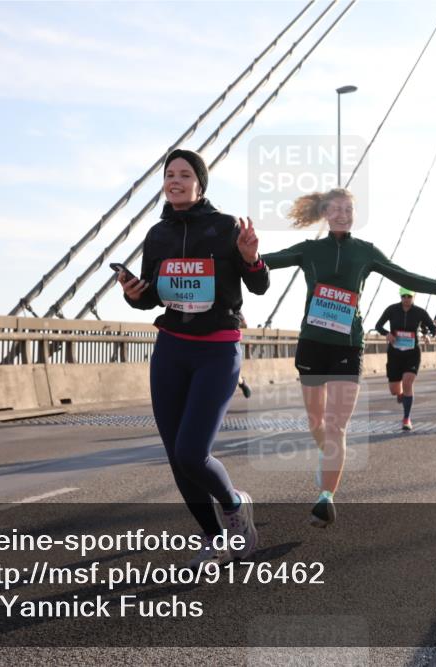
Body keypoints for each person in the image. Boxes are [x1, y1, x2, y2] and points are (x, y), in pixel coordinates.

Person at [263, 188, 436, 526]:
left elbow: (406, 277)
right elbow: (263, 263)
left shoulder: (365, 252)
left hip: (348, 346)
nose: (344, 214)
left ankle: (326, 498)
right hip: (313, 344)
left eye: (350, 209)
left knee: (336, 425)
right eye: (337, 208)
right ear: (325, 212)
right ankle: (324, 456)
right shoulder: (309, 250)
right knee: (316, 422)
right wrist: (235, 254)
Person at [119, 148, 268, 565]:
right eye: (170, 174)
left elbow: (258, 287)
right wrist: (135, 292)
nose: (175, 180)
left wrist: (251, 258)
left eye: (185, 174)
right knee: (175, 456)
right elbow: (150, 298)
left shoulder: (226, 227)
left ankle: (234, 504)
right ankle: (213, 536)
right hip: (171, 348)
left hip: (217, 349)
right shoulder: (157, 235)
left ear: (200, 183)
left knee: (191, 452)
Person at [374, 287, 436, 430]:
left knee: (408, 382)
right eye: (403, 296)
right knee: (394, 390)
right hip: (395, 354)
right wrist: (387, 334)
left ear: (414, 296)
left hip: (412, 353)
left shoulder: (420, 312)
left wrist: (428, 336)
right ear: (400, 297)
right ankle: (401, 394)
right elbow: (378, 325)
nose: (406, 299)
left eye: (409, 296)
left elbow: (433, 328)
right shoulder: (392, 309)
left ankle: (406, 418)